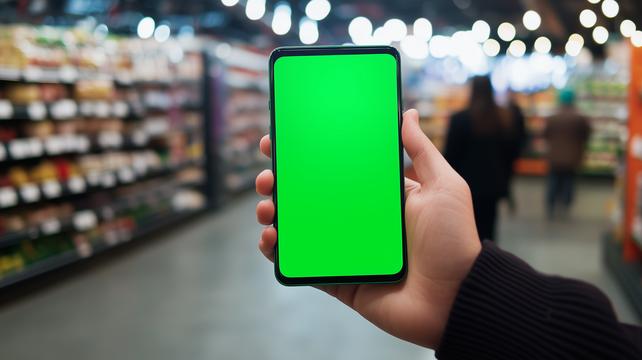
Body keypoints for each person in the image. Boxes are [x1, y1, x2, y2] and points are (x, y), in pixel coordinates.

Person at [255, 110, 642, 359]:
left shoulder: (459, 119)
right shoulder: (507, 117)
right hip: (492, 184)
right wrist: (464, 294)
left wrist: (461, 294)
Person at [443, 76, 520, 241]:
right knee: (489, 228)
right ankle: (488, 260)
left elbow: (450, 156)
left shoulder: (460, 119)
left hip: (466, 185)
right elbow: (511, 153)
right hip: (493, 183)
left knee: (468, 230)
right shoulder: (503, 118)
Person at [544, 89, 591, 219]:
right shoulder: (579, 118)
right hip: (572, 156)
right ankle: (566, 204)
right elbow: (586, 135)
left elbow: (546, 134)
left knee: (553, 180)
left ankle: (551, 205)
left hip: (554, 155)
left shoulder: (553, 117)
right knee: (569, 181)